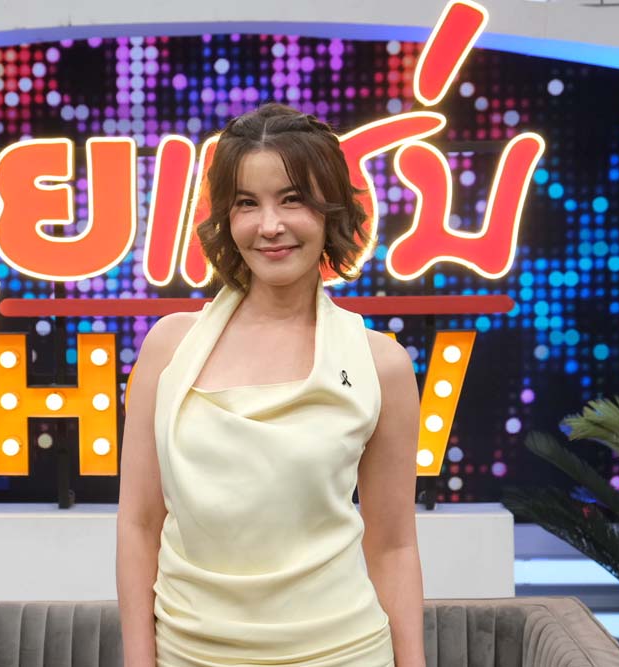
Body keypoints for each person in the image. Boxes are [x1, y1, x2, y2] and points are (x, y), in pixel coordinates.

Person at [117, 103, 425, 667]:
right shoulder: (168, 347)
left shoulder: (381, 364)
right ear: (225, 218)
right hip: (191, 652)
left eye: (292, 199)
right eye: (246, 203)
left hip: (343, 652)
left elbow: (394, 545)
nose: (269, 225)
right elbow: (138, 525)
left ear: (331, 211)